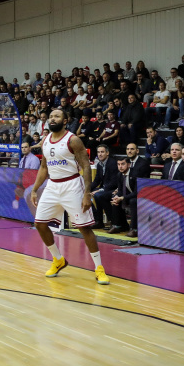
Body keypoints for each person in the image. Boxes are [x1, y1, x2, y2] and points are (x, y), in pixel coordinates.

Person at [26, 108, 111, 285]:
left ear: (66, 121)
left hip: (72, 185)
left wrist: (87, 193)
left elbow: (86, 166)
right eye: (50, 116)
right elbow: (43, 167)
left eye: (57, 116)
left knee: (84, 228)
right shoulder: (46, 140)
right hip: (52, 185)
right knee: (39, 223)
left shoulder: (73, 140)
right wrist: (35, 189)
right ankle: (58, 259)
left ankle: (99, 268)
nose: (52, 118)